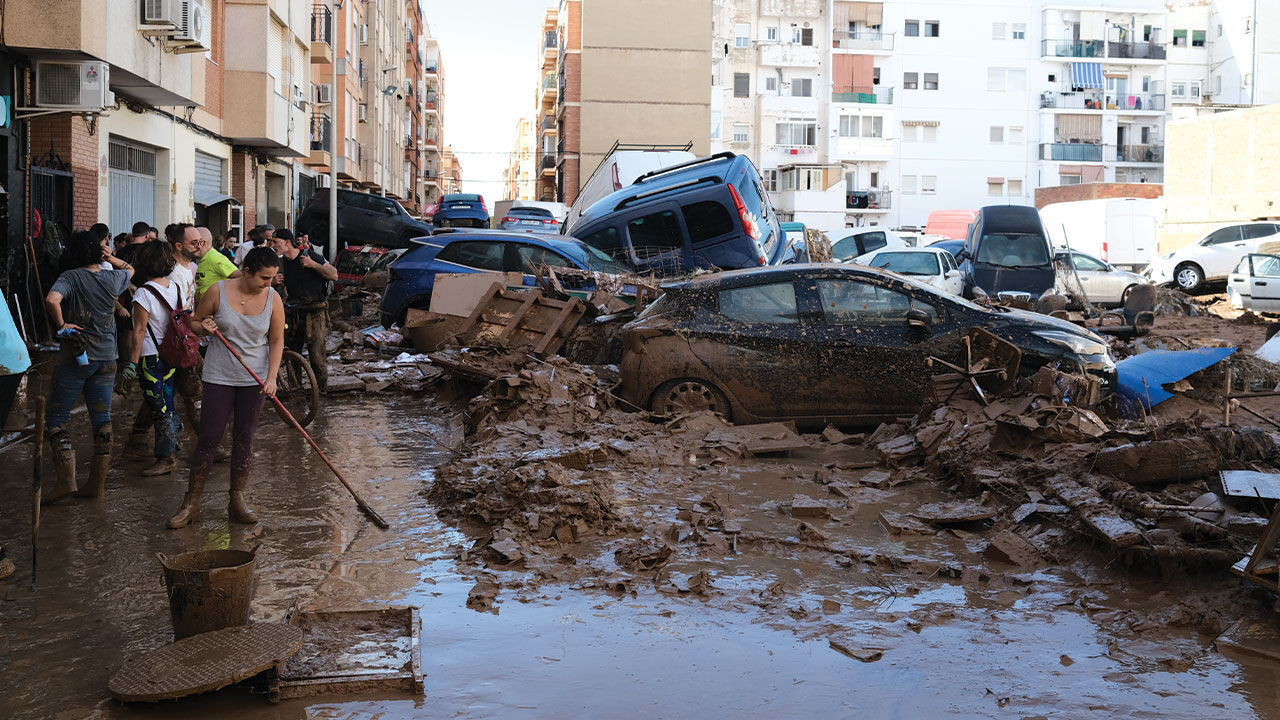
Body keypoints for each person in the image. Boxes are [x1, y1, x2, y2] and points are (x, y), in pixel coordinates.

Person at [167, 247, 284, 529]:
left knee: (245, 438)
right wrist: (203, 327)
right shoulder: (218, 291)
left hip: (254, 380)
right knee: (209, 437)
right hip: (219, 375)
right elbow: (194, 322)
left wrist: (272, 378)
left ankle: (237, 500)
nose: (269, 283)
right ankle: (191, 502)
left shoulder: (273, 299)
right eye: (264, 278)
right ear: (246, 272)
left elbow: (277, 340)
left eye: (272, 278)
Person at [43, 229, 134, 501]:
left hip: (77, 357)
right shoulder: (114, 276)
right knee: (102, 418)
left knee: (57, 418)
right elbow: (130, 269)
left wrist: (62, 325)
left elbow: (52, 299)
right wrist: (111, 256)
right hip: (108, 357)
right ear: (99, 253)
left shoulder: (70, 276)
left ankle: (66, 482)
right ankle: (97, 485)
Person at [123, 242, 183, 476]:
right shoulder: (175, 287)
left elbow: (139, 330)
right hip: (171, 354)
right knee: (166, 400)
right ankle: (172, 445)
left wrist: (132, 363)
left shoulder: (143, 292)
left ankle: (166, 457)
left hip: (150, 357)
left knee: (159, 406)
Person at [272, 228, 336, 390]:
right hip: (293, 313)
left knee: (316, 354)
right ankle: (295, 388)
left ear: (287, 242)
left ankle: (321, 390)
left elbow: (334, 274)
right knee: (293, 353)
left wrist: (314, 265)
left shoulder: (309, 256)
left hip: (315, 312)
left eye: (276, 242)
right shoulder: (280, 264)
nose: (273, 245)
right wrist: (272, 282)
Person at [194, 224, 241, 301]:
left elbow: (238, 275)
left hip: (214, 311)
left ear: (201, 243)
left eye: (192, 242)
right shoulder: (203, 258)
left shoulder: (215, 258)